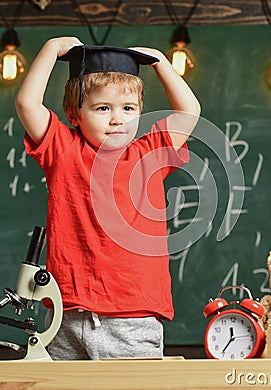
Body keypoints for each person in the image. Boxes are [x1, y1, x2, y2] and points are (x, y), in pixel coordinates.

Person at [15, 36, 201, 360]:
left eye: (128, 108)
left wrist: (160, 61)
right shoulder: (64, 150)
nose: (117, 119)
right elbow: (27, 104)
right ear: (75, 114)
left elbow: (189, 110)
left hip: (133, 319)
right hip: (65, 315)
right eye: (103, 108)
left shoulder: (150, 153)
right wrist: (50, 49)